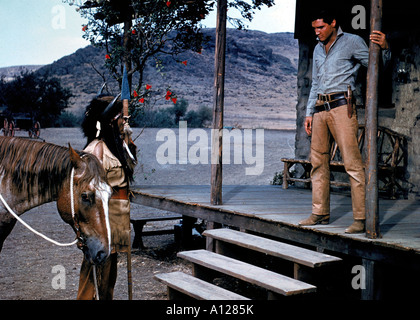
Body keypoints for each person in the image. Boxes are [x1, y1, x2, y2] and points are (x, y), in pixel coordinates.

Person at [298, 9, 390, 233]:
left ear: (333, 23)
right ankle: (320, 213)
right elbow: (315, 83)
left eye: (321, 27)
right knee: (318, 163)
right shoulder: (318, 49)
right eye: (314, 29)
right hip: (320, 109)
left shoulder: (352, 41)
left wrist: (385, 49)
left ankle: (360, 218)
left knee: (352, 163)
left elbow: (376, 65)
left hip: (342, 107)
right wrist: (309, 113)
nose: (317, 33)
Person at [77, 95, 137, 300]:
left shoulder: (117, 145)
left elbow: (129, 170)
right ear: (111, 120)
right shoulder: (96, 149)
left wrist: (128, 141)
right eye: (122, 117)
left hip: (118, 213)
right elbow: (85, 192)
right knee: (94, 264)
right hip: (103, 216)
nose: (125, 121)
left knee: (110, 269)